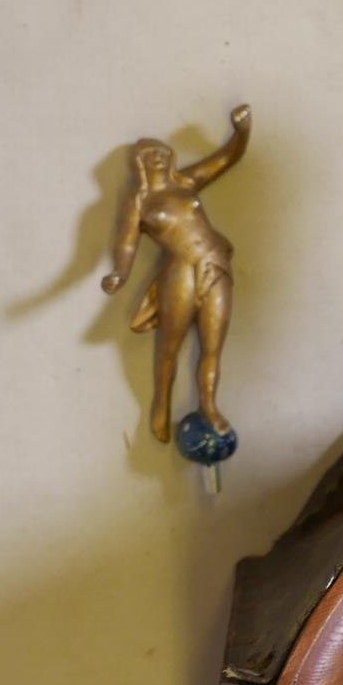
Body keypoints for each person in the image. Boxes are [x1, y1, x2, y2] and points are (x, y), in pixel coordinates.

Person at [102, 105, 250, 442]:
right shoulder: (140, 202)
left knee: (213, 347)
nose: (155, 157)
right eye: (147, 153)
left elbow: (226, 159)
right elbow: (127, 245)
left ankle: (209, 406)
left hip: (215, 265)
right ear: (139, 163)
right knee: (170, 347)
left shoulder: (185, 182)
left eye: (159, 151)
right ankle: (161, 404)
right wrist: (119, 275)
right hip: (180, 272)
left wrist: (242, 132)